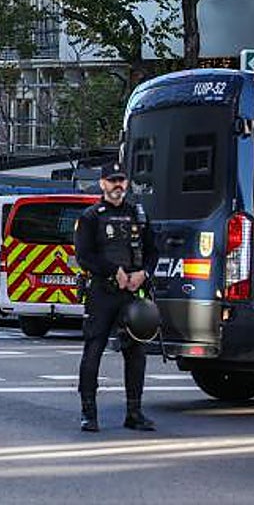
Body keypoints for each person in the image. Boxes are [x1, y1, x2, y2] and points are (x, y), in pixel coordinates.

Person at [75, 161, 158, 432]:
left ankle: (134, 412)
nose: (117, 185)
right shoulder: (90, 216)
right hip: (103, 291)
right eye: (112, 180)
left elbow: (152, 251)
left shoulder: (138, 214)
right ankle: (89, 413)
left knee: (136, 352)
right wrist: (114, 271)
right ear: (102, 184)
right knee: (93, 350)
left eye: (121, 180)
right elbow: (84, 256)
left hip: (133, 292)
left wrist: (143, 273)